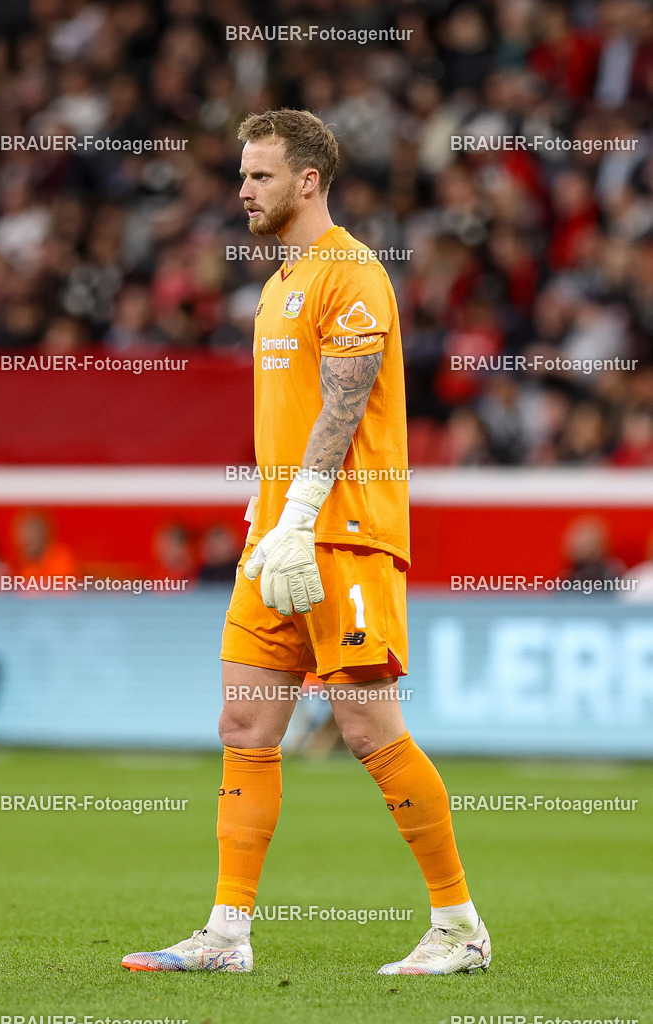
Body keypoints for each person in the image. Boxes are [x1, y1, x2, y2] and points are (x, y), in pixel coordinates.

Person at [122, 109, 490, 977]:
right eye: (242, 175)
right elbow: (286, 423)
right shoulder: (281, 282)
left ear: (308, 180)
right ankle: (226, 934)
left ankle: (459, 929)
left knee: (365, 727)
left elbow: (347, 400)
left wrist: (299, 513)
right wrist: (264, 514)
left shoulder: (351, 273)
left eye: (257, 176)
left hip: (345, 531)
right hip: (279, 534)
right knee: (244, 720)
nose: (241, 190)